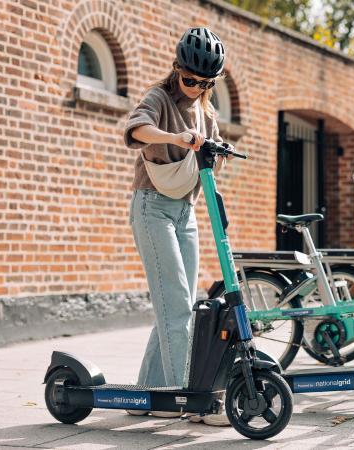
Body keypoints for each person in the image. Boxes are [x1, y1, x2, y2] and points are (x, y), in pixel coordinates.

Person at [123, 27, 229, 426]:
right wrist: (177, 137)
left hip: (185, 212)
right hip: (152, 209)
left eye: (205, 83)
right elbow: (136, 130)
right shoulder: (159, 98)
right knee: (178, 307)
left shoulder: (206, 111)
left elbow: (214, 154)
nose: (195, 88)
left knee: (177, 304)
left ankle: (145, 395)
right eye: (190, 80)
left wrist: (217, 151)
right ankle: (190, 398)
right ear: (177, 69)